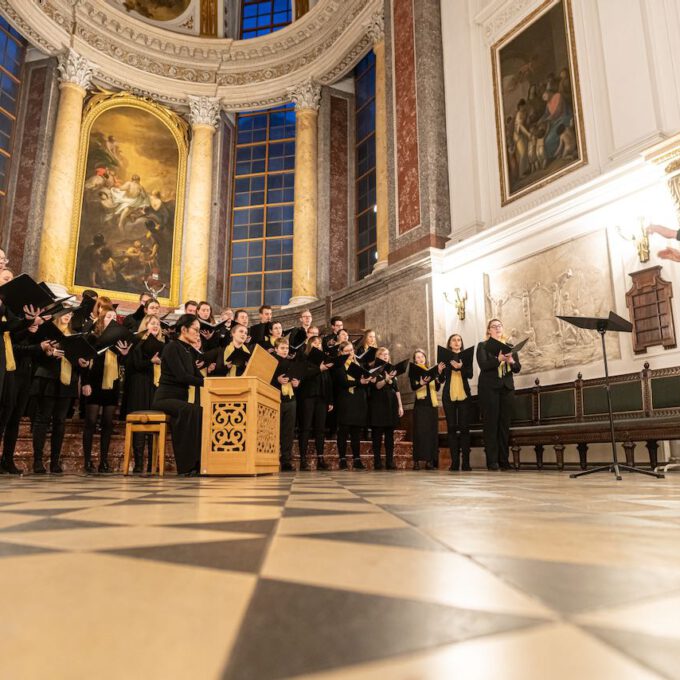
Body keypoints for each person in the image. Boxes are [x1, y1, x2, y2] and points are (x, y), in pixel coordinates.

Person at [31, 309, 88, 474]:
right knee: (43, 420)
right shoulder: (46, 331)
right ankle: (38, 461)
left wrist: (81, 363)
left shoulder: (75, 335)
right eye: (65, 313)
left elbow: (77, 359)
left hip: (66, 382)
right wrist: (49, 353)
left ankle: (55, 462)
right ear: (57, 315)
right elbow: (36, 355)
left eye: (70, 314)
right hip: (48, 378)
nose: (68, 316)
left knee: (60, 421)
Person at [81, 305, 132, 473]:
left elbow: (122, 364)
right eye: (109, 316)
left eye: (114, 317)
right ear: (102, 319)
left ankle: (104, 461)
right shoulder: (93, 337)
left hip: (112, 383)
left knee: (108, 423)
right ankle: (88, 461)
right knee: (90, 422)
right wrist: (85, 383)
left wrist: (124, 355)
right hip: (94, 382)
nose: (112, 319)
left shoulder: (118, 340)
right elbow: (85, 361)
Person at [152, 314, 204, 475]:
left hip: (178, 399)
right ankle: (186, 466)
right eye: (195, 330)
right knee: (192, 410)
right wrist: (206, 383)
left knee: (198, 410)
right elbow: (182, 376)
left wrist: (214, 383)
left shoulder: (188, 350)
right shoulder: (172, 347)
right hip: (164, 399)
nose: (198, 333)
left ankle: (197, 462)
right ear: (183, 329)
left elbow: (199, 377)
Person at [476, 318, 521, 471]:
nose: (497, 328)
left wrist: (511, 362)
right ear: (489, 330)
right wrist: (498, 359)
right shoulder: (483, 346)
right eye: (494, 326)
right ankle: (492, 461)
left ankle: (504, 460)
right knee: (491, 425)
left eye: (499, 326)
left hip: (506, 388)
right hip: (489, 389)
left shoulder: (509, 346)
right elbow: (483, 365)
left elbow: (518, 368)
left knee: (504, 426)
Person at [124, 314, 164, 473]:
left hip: (155, 386)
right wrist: (151, 362)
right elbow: (135, 365)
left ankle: (152, 464)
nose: (155, 326)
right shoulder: (137, 343)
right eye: (152, 323)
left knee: (154, 423)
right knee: (141, 422)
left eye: (157, 323)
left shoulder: (162, 345)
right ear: (145, 325)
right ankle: (139, 463)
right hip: (140, 385)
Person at [332, 340, 374, 470]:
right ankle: (342, 459)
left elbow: (364, 381)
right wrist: (360, 382)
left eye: (351, 350)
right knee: (343, 432)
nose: (350, 353)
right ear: (341, 352)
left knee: (356, 432)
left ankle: (357, 459)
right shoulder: (338, 366)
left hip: (358, 400)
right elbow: (343, 383)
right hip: (345, 400)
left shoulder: (359, 364)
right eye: (346, 351)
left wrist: (367, 380)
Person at [297, 336, 333, 470]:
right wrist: (319, 369)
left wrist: (330, 400)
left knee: (320, 430)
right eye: (315, 343)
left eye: (319, 343)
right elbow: (304, 376)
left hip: (322, 398)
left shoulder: (325, 360)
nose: (318, 345)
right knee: (305, 428)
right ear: (309, 345)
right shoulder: (304, 358)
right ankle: (302, 459)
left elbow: (328, 381)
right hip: (308, 397)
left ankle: (321, 459)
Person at [409, 349, 445, 470]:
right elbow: (413, 386)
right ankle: (417, 461)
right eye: (417, 357)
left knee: (431, 433)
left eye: (422, 357)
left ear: (425, 358)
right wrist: (420, 383)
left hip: (432, 405)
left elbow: (438, 387)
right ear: (414, 360)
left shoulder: (431, 370)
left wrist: (439, 373)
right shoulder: (414, 371)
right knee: (419, 433)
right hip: (420, 405)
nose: (420, 359)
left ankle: (430, 461)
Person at [442, 334, 473, 472]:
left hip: (464, 396)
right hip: (449, 396)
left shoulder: (466, 357)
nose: (456, 342)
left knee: (465, 429)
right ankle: (454, 463)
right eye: (453, 340)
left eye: (459, 340)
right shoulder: (444, 357)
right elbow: (441, 379)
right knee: (452, 429)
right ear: (449, 344)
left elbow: (470, 374)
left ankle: (466, 463)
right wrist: (439, 371)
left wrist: (461, 367)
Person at [369, 347, 403, 470]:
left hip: (391, 404)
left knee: (390, 435)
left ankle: (389, 461)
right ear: (378, 356)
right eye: (382, 354)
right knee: (377, 434)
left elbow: (397, 389)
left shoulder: (392, 369)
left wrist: (400, 405)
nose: (385, 356)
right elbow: (377, 386)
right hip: (378, 403)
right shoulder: (374, 370)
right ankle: (377, 461)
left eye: (387, 354)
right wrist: (387, 379)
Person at [271, 337, 300, 471]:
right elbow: (264, 377)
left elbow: (296, 378)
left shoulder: (291, 362)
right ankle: (271, 459)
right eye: (282, 348)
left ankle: (286, 460)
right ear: (276, 349)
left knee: (288, 431)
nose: (285, 350)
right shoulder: (271, 361)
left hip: (290, 398)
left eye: (286, 348)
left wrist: (296, 383)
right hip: (275, 398)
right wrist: (276, 380)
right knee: (273, 429)